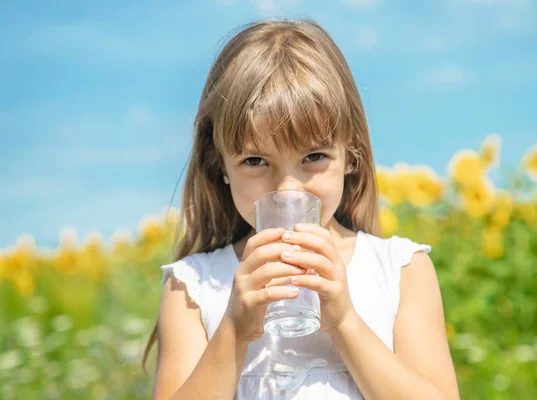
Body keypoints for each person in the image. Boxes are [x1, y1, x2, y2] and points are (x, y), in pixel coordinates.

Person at [143, 18, 460, 400]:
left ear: (351, 155)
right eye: (256, 161)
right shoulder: (193, 285)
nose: (287, 189)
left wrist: (344, 322)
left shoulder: (400, 270)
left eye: (313, 156)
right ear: (220, 167)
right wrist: (233, 329)